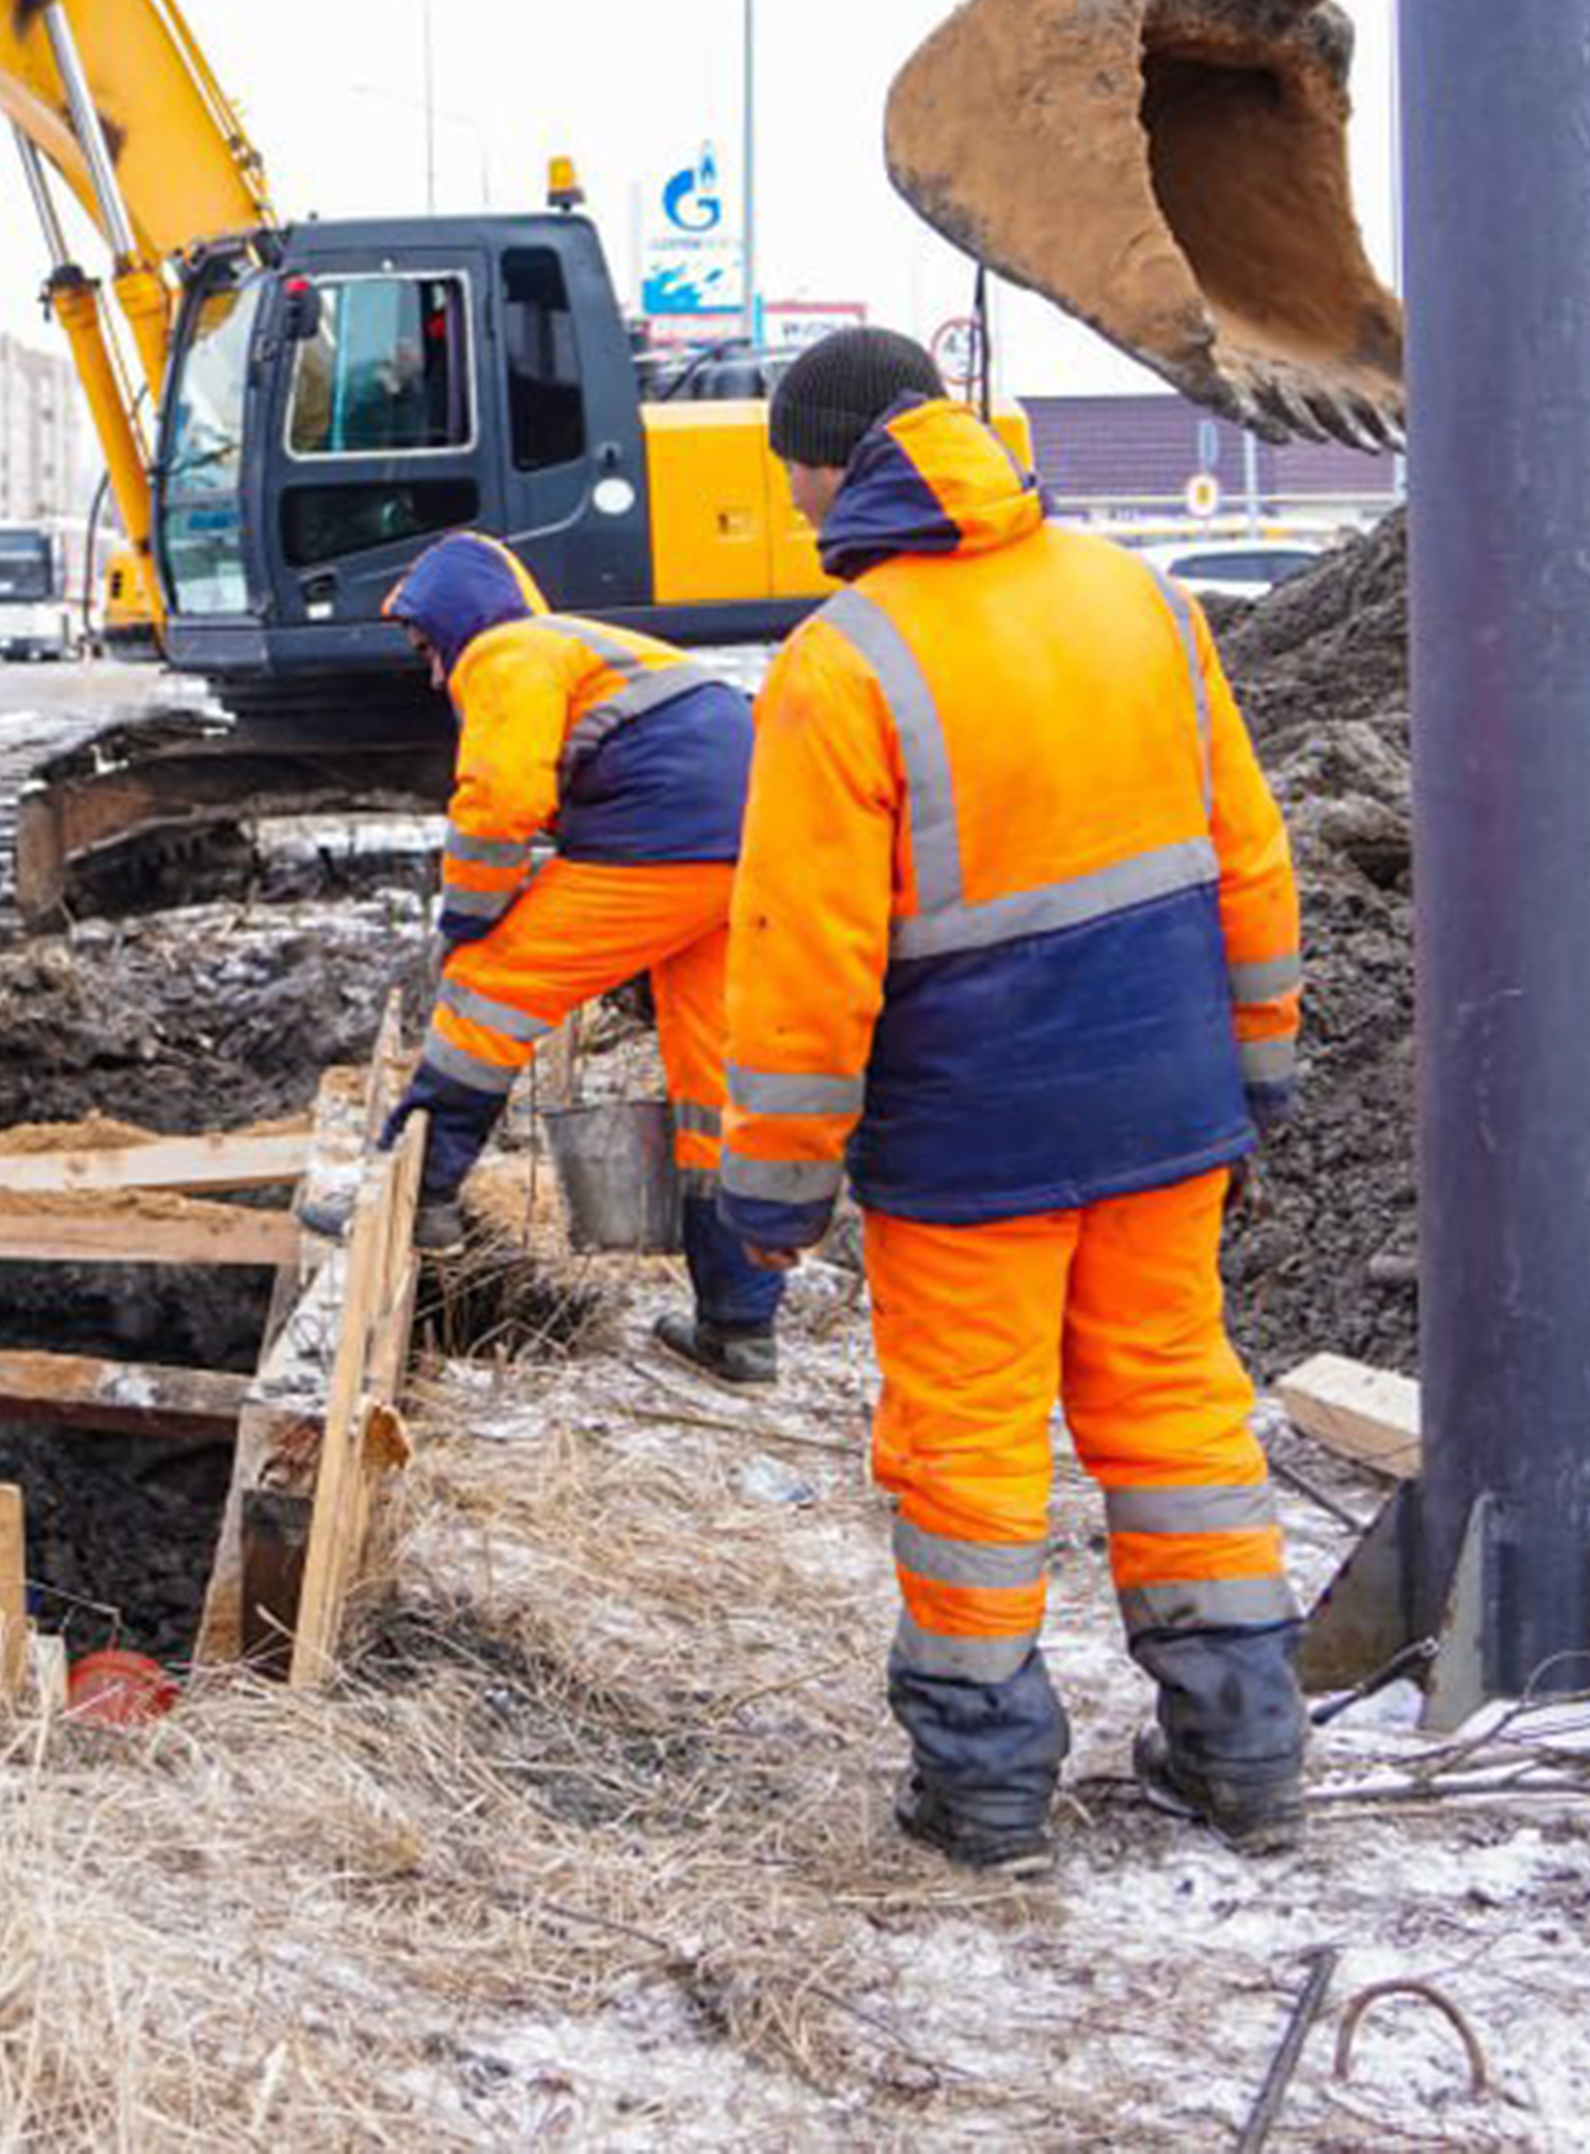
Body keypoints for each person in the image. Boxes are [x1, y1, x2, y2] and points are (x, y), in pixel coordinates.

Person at [718, 328, 1308, 1874]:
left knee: (972, 1451)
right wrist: (1260, 1059)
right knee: (1176, 1409)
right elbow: (1247, 853)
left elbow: (802, 959)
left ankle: (984, 1791)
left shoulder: (845, 662)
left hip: (977, 1135)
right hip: (1169, 1099)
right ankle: (1243, 1749)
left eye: (796, 468)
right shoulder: (1143, 600)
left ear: (840, 466)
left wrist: (773, 1181)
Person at [375, 533, 782, 1374]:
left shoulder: (506, 649)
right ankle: (739, 1328)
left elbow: (502, 797)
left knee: (490, 991)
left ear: (457, 623)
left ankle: (422, 1193)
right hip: (756, 850)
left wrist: (470, 925)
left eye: (428, 649)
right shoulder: (603, 649)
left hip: (661, 838)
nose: (431, 675)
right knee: (717, 1087)